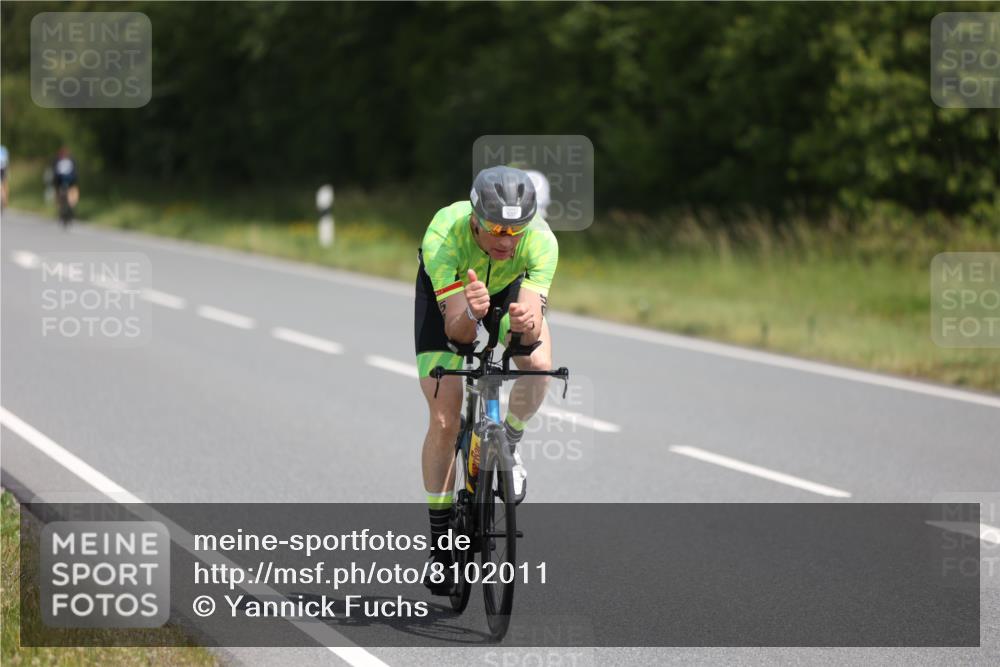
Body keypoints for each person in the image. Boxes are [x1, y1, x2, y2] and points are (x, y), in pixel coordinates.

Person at [415, 165, 558, 593]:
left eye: (516, 229)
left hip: (507, 293)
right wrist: (472, 313)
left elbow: (527, 337)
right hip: (455, 297)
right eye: (496, 228)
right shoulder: (443, 235)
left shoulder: (542, 243)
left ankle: (507, 445)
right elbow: (458, 333)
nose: (506, 240)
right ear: (475, 217)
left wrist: (524, 325)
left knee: (538, 364)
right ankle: (442, 543)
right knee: (445, 417)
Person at [52, 146, 79, 223]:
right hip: (70, 180)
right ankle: (72, 205)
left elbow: (54, 171)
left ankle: (60, 208)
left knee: (57, 192)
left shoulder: (57, 160)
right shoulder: (71, 159)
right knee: (73, 191)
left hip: (59, 181)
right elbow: (75, 172)